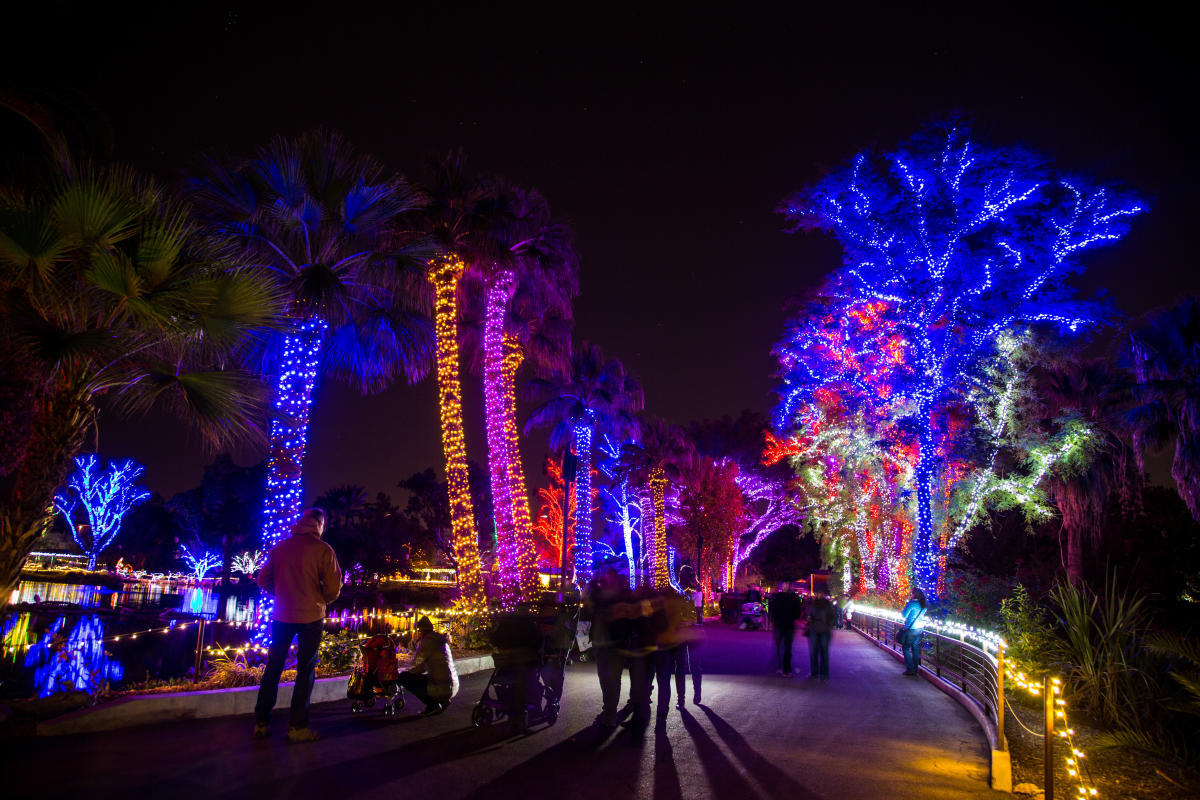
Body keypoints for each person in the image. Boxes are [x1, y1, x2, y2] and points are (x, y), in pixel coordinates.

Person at [253, 507, 342, 743]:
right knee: (305, 670)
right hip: (311, 616)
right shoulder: (323, 550)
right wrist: (321, 598)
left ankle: (261, 723)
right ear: (320, 524)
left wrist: (280, 593)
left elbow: (262, 579)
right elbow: (333, 587)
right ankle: (297, 727)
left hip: (281, 615)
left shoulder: (281, 547)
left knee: (273, 668)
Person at [583, 568, 623, 728]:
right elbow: (587, 610)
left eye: (610, 575)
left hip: (613, 643)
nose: (608, 578)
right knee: (606, 678)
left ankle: (610, 711)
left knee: (612, 678)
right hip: (602, 642)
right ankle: (609, 708)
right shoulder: (599, 595)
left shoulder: (617, 596)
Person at [398, 615, 460, 714]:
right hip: (453, 685)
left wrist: (402, 672)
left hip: (442, 687)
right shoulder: (439, 640)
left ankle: (433, 705)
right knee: (421, 677)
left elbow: (417, 666)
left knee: (405, 678)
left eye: (419, 631)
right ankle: (442, 700)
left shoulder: (427, 641)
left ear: (422, 631)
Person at [768, 581, 803, 677]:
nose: (786, 586)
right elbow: (773, 609)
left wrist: (775, 619)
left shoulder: (781, 597)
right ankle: (783, 668)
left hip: (785, 624)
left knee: (786, 647)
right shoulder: (785, 597)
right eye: (785, 584)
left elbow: (797, 611)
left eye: (787, 584)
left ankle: (785, 668)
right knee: (782, 647)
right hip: (783, 624)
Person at [806, 586, 838, 681]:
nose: (818, 595)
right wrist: (809, 620)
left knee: (824, 652)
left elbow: (833, 617)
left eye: (820, 593)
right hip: (814, 629)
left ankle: (824, 674)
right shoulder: (813, 604)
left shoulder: (828, 604)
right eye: (817, 593)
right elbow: (809, 615)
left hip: (824, 630)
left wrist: (828, 625)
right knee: (813, 653)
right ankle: (814, 673)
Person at [899, 588, 928, 676]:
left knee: (906, 648)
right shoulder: (923, 604)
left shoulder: (911, 604)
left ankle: (910, 669)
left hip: (911, 629)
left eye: (911, 593)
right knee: (915, 648)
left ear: (914, 594)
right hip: (920, 628)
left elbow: (904, 615)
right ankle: (915, 669)